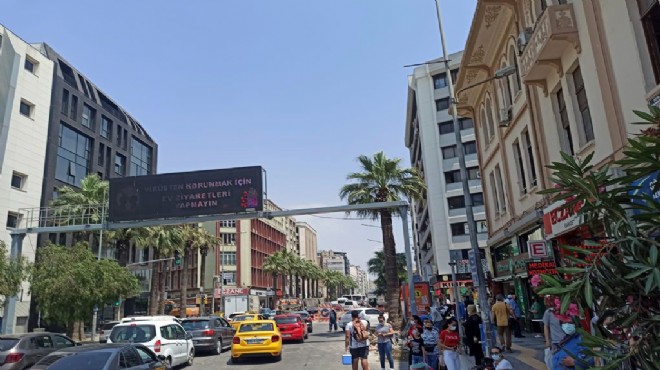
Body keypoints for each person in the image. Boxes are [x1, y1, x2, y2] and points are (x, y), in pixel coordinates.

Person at [543, 296, 563, 369]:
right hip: (556, 342)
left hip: (568, 340)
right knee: (556, 362)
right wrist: (547, 341)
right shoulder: (549, 312)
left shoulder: (567, 310)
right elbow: (546, 326)